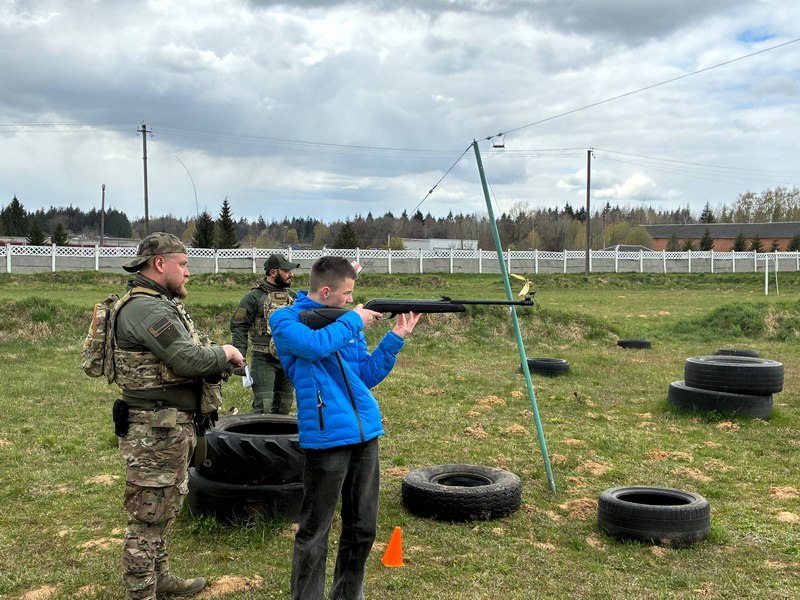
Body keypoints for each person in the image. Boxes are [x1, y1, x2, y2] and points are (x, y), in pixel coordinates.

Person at [269, 256, 421, 600]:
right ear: (326, 291)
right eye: (347, 294)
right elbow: (313, 346)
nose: (352, 300)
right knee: (315, 532)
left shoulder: (344, 324)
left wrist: (395, 338)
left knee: (363, 527)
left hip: (366, 433)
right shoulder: (286, 319)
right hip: (327, 437)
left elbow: (364, 376)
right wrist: (354, 320)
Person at [111, 232, 244, 600]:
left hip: (167, 425)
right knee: (147, 517)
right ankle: (141, 593)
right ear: (159, 264)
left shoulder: (158, 304)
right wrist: (226, 351)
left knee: (164, 506)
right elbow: (186, 358)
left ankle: (160, 577)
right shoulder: (147, 309)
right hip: (155, 429)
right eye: (183, 265)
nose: (188, 273)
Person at [230, 253, 300, 414]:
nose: (291, 274)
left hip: (288, 359)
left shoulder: (294, 298)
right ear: (273, 273)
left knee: (284, 405)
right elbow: (238, 326)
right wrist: (239, 357)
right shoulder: (253, 298)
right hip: (263, 360)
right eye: (286, 271)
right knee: (264, 406)